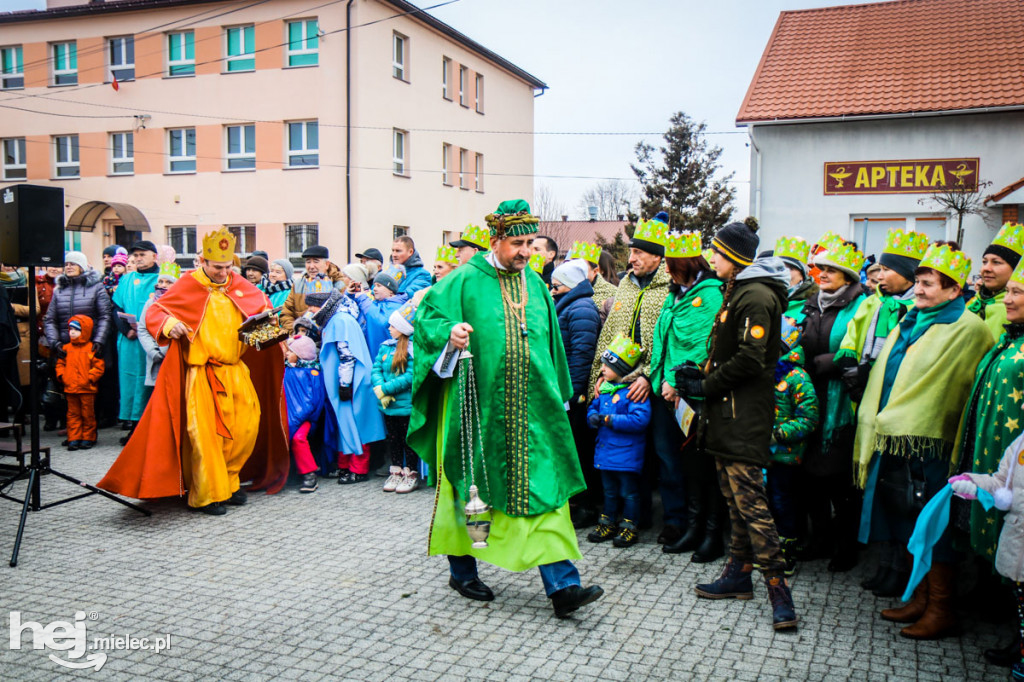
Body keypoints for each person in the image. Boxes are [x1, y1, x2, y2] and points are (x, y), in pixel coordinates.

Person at [409, 199, 604, 618]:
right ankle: (462, 571)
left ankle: (564, 586)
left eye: (531, 243)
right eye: (518, 243)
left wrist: (559, 395)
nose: (526, 251)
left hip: (532, 412)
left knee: (545, 489)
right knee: (470, 488)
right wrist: (449, 333)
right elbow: (425, 323)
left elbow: (550, 342)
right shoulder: (461, 281)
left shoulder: (535, 284)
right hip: (476, 410)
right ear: (495, 241)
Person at [98, 229, 289, 515]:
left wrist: (277, 337)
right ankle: (208, 494)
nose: (224, 273)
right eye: (217, 267)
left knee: (245, 431)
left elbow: (260, 314)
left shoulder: (238, 284)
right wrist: (168, 324)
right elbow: (156, 311)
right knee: (207, 436)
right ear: (202, 261)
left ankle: (229, 481)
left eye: (228, 267)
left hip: (236, 371)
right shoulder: (188, 285)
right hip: (202, 373)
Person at [855, 242, 993, 640]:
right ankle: (920, 597)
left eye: (929, 283)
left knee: (935, 525)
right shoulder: (910, 321)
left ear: (953, 290)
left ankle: (942, 608)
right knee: (907, 517)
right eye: (918, 281)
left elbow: (952, 390)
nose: (919, 289)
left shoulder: (968, 329)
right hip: (896, 437)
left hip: (932, 442)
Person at [676, 219, 798, 630]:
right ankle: (738, 574)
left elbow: (751, 359)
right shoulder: (738, 290)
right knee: (734, 498)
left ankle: (779, 590)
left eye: (716, 252)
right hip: (725, 414)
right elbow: (731, 352)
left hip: (742, 415)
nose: (710, 258)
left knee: (752, 502)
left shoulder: (757, 295)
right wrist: (699, 370)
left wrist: (707, 384)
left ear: (735, 258)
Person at [837, 228, 926, 595]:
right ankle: (886, 561)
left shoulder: (911, 311)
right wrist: (853, 364)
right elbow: (858, 339)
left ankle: (901, 569)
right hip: (871, 402)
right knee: (878, 489)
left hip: (899, 414)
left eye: (888, 269)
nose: (880, 274)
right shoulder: (879, 303)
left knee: (897, 491)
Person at [952, 257, 1024, 665]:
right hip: (1003, 463)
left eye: (1016, 292)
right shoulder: (1011, 339)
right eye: (1008, 291)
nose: (1007, 298)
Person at [589, 215, 671, 536]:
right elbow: (612, 331)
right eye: (631, 251)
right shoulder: (625, 283)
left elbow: (664, 340)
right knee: (620, 450)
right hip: (618, 382)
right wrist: (602, 372)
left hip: (650, 382)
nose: (631, 258)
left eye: (638, 252)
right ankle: (621, 515)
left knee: (657, 452)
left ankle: (655, 518)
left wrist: (648, 376)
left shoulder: (668, 287)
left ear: (658, 256)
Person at [651, 232, 725, 560]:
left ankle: (707, 532)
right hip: (665, 390)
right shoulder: (674, 293)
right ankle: (687, 526)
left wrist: (675, 383)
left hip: (692, 395)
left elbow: (701, 345)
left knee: (699, 464)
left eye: (671, 265)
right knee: (676, 462)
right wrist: (660, 379)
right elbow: (664, 338)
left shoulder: (709, 295)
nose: (667, 271)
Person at [799, 241, 867, 571]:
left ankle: (846, 547)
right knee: (810, 478)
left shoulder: (862, 305)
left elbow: (866, 351)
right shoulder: (812, 305)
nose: (822, 274)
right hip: (810, 398)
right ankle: (819, 539)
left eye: (831, 270)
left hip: (842, 403)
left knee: (839, 481)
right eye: (819, 269)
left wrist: (835, 362)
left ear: (847, 276)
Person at [952, 429, 1024, 679]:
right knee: (1022, 601)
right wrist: (973, 484)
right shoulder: (1020, 443)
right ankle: (1022, 649)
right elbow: (1001, 481)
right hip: (1019, 540)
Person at [587, 334, 652, 548]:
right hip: (605, 453)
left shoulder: (631, 393)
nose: (602, 369)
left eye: (606, 366)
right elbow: (592, 409)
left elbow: (639, 419)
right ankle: (608, 521)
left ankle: (630, 524)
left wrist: (608, 419)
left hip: (626, 455)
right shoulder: (604, 390)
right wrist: (592, 417)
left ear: (621, 369)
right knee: (609, 491)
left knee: (629, 492)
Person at [550, 259, 601, 527]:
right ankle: (574, 502)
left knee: (580, 451)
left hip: (573, 395)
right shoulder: (570, 305)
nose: (552, 289)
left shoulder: (581, 308)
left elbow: (582, 355)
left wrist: (573, 394)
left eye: (556, 285)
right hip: (566, 391)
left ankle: (586, 506)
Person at [767, 319, 819, 576]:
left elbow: (808, 418)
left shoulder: (797, 376)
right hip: (760, 451)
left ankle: (787, 549)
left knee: (783, 500)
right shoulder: (760, 371)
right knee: (765, 499)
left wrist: (778, 434)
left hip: (785, 454)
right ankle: (767, 549)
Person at [319, 291, 387, 484]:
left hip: (351, 382)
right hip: (351, 380)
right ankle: (347, 465)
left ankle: (358, 468)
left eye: (312, 307)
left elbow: (347, 355)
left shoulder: (339, 321)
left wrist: (344, 383)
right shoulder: (341, 318)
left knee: (354, 424)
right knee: (349, 424)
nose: (310, 311)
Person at [112, 241, 161, 435]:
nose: (138, 258)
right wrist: (126, 330)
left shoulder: (162, 279)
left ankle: (151, 429)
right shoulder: (127, 279)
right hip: (130, 341)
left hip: (153, 341)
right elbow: (115, 307)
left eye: (143, 254)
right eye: (136, 255)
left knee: (150, 382)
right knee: (131, 381)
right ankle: (133, 426)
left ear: (154, 256)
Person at [374, 303, 419, 493]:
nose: (389, 328)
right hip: (389, 406)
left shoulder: (412, 350)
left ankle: (411, 473)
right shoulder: (385, 347)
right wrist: (378, 385)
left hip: (405, 404)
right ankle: (396, 471)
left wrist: (385, 389)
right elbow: (376, 368)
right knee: (393, 439)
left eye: (393, 326)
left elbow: (409, 376)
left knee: (406, 439)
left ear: (402, 329)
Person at [284, 334, 327, 494]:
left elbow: (313, 401)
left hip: (304, 418)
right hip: (290, 416)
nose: (287, 354)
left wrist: (297, 418)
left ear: (301, 354)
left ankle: (309, 474)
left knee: (298, 438)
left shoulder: (313, 373)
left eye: (290, 352)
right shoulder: (288, 369)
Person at [136, 263, 179, 418]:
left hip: (174, 355)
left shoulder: (180, 303)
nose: (163, 285)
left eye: (168, 282)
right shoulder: (151, 303)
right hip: (156, 357)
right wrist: (153, 351)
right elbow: (143, 328)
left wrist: (169, 350)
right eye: (161, 282)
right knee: (157, 397)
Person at [56, 315, 104, 451]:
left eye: (76, 330)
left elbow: (99, 366)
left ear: (85, 331)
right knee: (72, 414)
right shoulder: (66, 348)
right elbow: (60, 364)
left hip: (87, 388)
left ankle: (88, 437)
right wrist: (62, 376)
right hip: (70, 388)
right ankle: (74, 437)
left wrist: (90, 378)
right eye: (70, 329)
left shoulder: (91, 349)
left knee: (87, 414)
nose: (72, 332)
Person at [968, 222, 1023, 343]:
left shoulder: (1013, 311)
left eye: (996, 262)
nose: (986, 268)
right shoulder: (975, 303)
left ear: (1016, 269)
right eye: (984, 262)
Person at [279, 245, 344, 331]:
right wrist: (297, 332)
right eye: (308, 262)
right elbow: (286, 313)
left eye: (316, 261)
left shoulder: (339, 284)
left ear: (327, 264)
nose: (311, 266)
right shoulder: (298, 284)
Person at [354, 266, 408, 359]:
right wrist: (350, 294)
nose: (374, 289)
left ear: (390, 290)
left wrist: (362, 299)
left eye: (379, 286)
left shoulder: (397, 306)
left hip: (386, 360)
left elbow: (379, 321)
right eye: (374, 285)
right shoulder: (376, 303)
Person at [775, 236, 817, 324]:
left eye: (790, 268)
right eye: (780, 268)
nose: (784, 273)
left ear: (802, 275)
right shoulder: (765, 295)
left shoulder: (814, 302)